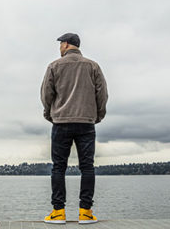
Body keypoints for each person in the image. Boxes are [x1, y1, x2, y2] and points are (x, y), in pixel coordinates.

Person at [40, 32, 108, 224]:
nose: (59, 47)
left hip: (61, 121)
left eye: (60, 43)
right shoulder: (93, 66)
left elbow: (46, 94)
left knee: (58, 167)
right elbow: (102, 94)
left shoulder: (54, 66)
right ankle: (85, 212)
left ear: (67, 44)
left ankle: (58, 212)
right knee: (87, 167)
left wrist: (50, 114)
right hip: (86, 122)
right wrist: (97, 116)